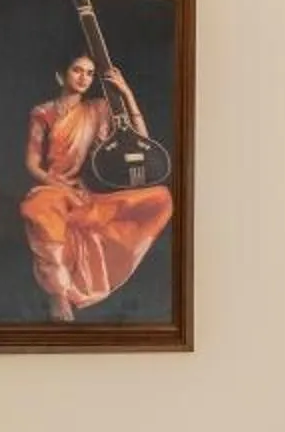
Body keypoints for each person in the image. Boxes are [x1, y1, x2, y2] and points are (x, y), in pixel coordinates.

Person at [21, 51, 173, 321]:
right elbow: (32, 164)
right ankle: (59, 296)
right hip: (52, 189)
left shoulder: (98, 109)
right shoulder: (42, 112)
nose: (84, 77)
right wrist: (59, 186)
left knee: (160, 198)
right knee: (41, 206)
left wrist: (126, 93)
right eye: (77, 70)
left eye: (90, 73)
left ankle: (73, 292)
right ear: (61, 75)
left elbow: (142, 141)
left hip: (83, 194)